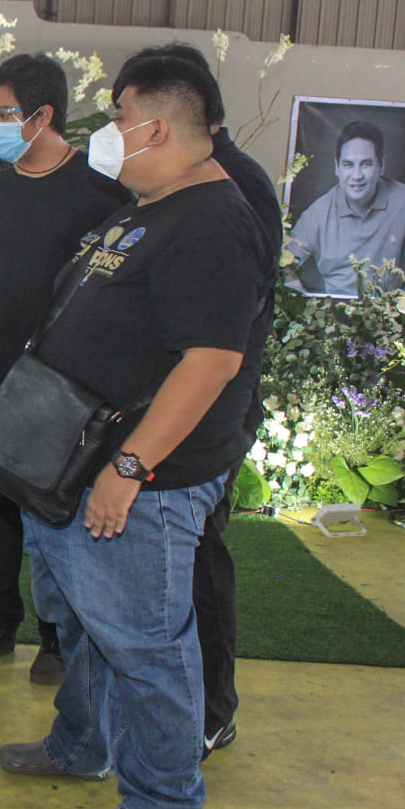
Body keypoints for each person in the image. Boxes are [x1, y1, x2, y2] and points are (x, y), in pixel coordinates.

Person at [0, 55, 263, 809]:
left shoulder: (215, 222)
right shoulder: (149, 205)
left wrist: (130, 467)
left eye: (118, 120)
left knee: (146, 643)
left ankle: (164, 807)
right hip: (68, 460)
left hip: (139, 478)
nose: (109, 135)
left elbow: (209, 362)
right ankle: (82, 744)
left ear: (157, 127)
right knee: (83, 623)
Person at [0, 55, 131, 680]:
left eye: (4, 114)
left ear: (44, 116)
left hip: (66, 379)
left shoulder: (103, 190)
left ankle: (57, 635)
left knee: (57, 506)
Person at [117, 42, 284, 762]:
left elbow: (214, 351)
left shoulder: (228, 194)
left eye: (124, 113)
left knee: (193, 563)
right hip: (165, 411)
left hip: (199, 422)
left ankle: (210, 710)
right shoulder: (184, 183)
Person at [287, 121, 405, 296]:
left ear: (381, 166)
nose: (357, 176)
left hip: (390, 316)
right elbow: (282, 268)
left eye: (366, 164)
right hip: (333, 317)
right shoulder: (316, 215)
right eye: (348, 165)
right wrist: (305, 306)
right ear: (337, 168)